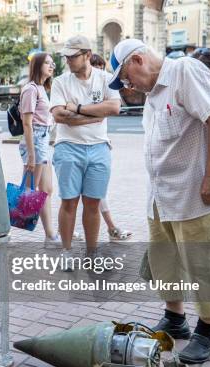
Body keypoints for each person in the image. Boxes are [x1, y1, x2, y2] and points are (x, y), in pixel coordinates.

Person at [109, 39, 210, 363]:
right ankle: (175, 318)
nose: (128, 86)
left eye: (126, 79)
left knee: (203, 262)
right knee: (165, 260)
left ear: (138, 60)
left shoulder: (185, 72)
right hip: (163, 194)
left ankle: (207, 330)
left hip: (196, 193)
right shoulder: (154, 94)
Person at [49, 36, 121, 268]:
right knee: (69, 202)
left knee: (93, 203)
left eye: (73, 56)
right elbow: (59, 116)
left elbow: (114, 107)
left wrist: (78, 109)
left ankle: (92, 254)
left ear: (87, 55)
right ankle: (67, 252)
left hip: (99, 147)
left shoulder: (106, 79)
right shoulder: (61, 82)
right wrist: (94, 115)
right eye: (66, 56)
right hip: (68, 147)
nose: (68, 60)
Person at [89, 54, 133, 241]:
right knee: (73, 197)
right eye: (97, 67)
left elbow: (107, 112)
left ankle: (111, 228)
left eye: (102, 67)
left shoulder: (102, 87)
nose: (101, 71)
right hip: (69, 148)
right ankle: (54, 233)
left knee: (95, 194)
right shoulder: (75, 86)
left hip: (97, 145)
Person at [18, 52, 59, 243]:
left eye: (52, 64)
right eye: (48, 63)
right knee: (29, 191)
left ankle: (50, 234)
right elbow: (27, 123)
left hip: (42, 140)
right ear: (37, 66)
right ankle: (8, 225)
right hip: (34, 139)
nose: (52, 66)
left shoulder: (42, 88)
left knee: (46, 189)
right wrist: (32, 157)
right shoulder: (31, 89)